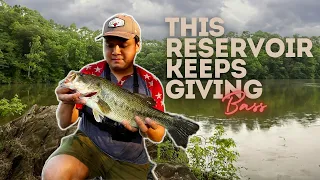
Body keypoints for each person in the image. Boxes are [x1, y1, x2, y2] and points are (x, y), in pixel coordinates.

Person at [42, 13, 166, 180]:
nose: (115, 51)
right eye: (109, 45)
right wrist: (67, 101)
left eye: (123, 45)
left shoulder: (151, 82)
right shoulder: (89, 73)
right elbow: (65, 123)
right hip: (88, 144)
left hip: (129, 157)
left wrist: (146, 130)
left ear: (137, 45)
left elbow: (158, 136)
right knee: (55, 173)